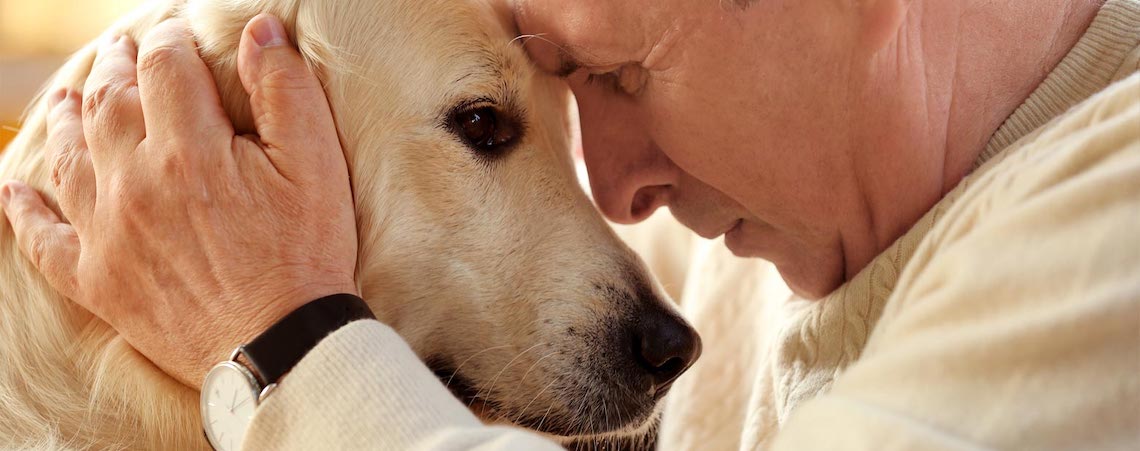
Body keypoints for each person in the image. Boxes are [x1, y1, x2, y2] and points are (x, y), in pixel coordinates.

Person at [1, 0, 1138, 448]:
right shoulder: (777, 217)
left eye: (623, 78)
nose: (621, 187)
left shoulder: (1112, 219)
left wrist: (281, 337)